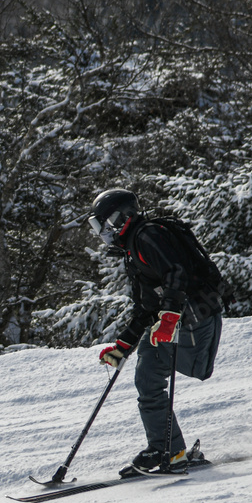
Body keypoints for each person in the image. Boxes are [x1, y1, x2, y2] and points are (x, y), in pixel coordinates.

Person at [88, 188, 226, 477]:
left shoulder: (148, 235)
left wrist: (169, 316)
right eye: (99, 226)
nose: (105, 232)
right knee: (147, 378)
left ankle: (171, 452)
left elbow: (177, 272)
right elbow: (146, 306)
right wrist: (122, 347)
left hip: (195, 318)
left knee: (187, 370)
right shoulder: (133, 248)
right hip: (176, 321)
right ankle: (167, 450)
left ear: (123, 217)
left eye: (106, 223)